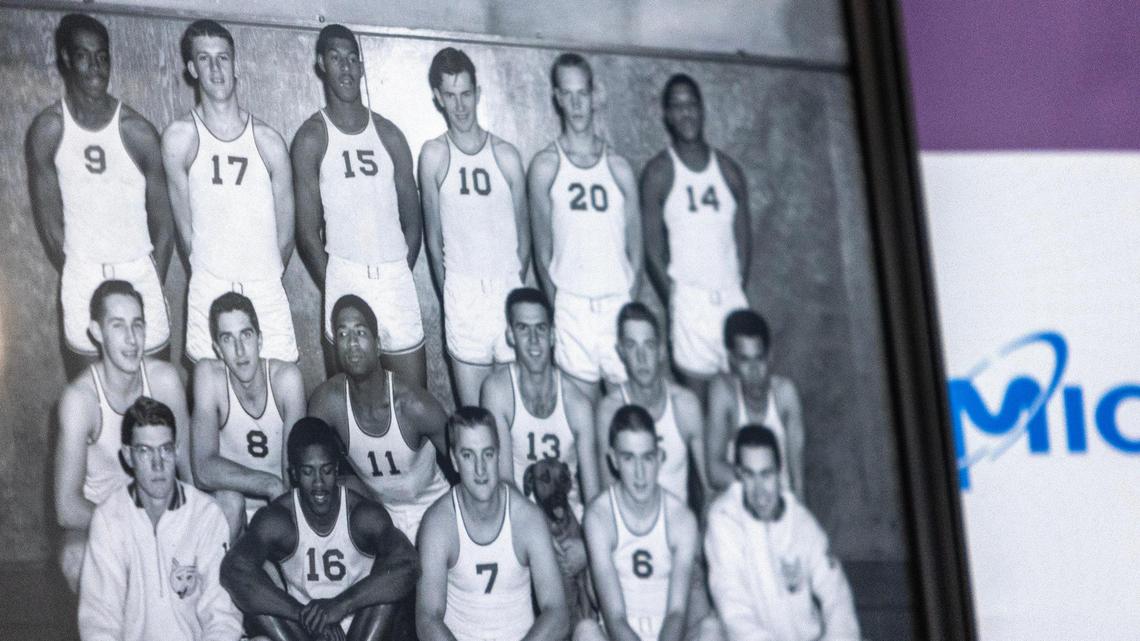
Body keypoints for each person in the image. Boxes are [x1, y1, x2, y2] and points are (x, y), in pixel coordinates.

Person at [26, 13, 173, 374]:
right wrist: (81, 266)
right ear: (64, 59)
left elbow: (165, 225)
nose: (95, 66)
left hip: (137, 269)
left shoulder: (137, 131)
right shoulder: (48, 130)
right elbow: (49, 226)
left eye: (102, 56)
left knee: (153, 396)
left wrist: (148, 279)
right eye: (83, 55)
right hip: (83, 272)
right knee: (91, 395)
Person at [293, 24, 425, 385]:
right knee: (351, 403)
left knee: (412, 395)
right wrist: (339, 282)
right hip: (345, 275)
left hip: (393, 274)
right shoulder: (311, 137)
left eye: (352, 59)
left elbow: (413, 221)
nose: (346, 68)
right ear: (322, 64)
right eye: (336, 58)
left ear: (361, 65)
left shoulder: (390, 134)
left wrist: (397, 270)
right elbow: (306, 231)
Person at [162, 19, 298, 364]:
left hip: (264, 286)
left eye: (223, 58)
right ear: (192, 69)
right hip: (210, 284)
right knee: (212, 396)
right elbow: (185, 230)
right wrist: (214, 271)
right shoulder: (180, 139)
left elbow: (286, 234)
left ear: (235, 65)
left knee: (281, 387)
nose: (216, 69)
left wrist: (261, 273)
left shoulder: (268, 142)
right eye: (205, 59)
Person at [222, 417, 420, 640]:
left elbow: (408, 564)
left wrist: (340, 606)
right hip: (306, 630)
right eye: (308, 472)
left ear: (336, 469)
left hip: (362, 626)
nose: (318, 483)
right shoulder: (279, 519)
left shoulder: (362, 514)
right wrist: (304, 614)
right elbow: (233, 571)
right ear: (294, 473)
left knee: (389, 587)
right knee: (258, 600)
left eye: (326, 470)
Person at [55, 280, 191, 592]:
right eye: (118, 326)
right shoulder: (80, 400)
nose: (131, 339)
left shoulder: (165, 381)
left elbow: (189, 471)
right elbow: (66, 507)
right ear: (97, 332)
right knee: (74, 556)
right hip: (102, 516)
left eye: (138, 325)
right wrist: (133, 525)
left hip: (160, 509)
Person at [78, 396, 242, 641]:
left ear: (176, 452)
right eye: (144, 451)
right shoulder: (108, 518)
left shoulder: (206, 514)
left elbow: (221, 615)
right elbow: (100, 621)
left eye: (165, 450)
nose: (157, 464)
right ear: (128, 455)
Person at [528, 52, 642, 401]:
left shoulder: (619, 168)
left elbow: (635, 248)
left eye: (583, 93)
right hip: (572, 309)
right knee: (582, 430)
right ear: (558, 98)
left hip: (616, 304)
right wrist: (561, 306)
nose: (577, 104)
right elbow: (542, 250)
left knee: (628, 422)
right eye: (568, 94)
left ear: (595, 95)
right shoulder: (546, 166)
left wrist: (626, 305)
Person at [418, 46, 530, 405]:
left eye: (466, 94)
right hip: (463, 295)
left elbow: (524, 240)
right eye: (450, 96)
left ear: (478, 93)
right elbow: (434, 243)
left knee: (511, 410)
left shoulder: (506, 155)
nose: (460, 105)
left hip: (505, 290)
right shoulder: (434, 155)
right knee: (474, 417)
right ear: (438, 98)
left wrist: (510, 289)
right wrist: (453, 294)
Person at [639, 74, 751, 400]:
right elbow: (652, 251)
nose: (685, 113)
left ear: (702, 109)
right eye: (677, 106)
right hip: (689, 302)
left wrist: (731, 291)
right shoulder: (658, 173)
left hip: (730, 298)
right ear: (667, 116)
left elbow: (744, 248)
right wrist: (677, 299)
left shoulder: (729, 171)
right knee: (702, 414)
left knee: (739, 411)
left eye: (691, 104)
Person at [415, 407, 569, 641]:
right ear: (455, 461)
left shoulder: (527, 518)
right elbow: (427, 618)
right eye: (468, 455)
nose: (480, 469)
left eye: (487, 454)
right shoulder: (438, 523)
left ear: (498, 454)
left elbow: (558, 613)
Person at [308, 295, 451, 542]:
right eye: (342, 334)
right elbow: (311, 470)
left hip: (434, 510)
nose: (352, 342)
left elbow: (463, 460)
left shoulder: (414, 404)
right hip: (381, 516)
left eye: (360, 332)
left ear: (377, 344)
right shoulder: (327, 402)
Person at [575, 405, 718, 641]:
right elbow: (614, 617)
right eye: (629, 458)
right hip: (619, 636)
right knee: (585, 632)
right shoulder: (599, 517)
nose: (640, 473)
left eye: (647, 458)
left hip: (669, 636)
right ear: (613, 460)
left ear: (660, 457)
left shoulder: (681, 519)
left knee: (712, 629)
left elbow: (677, 612)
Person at [705, 426, 860, 641]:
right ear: (739, 473)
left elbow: (837, 596)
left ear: (780, 471)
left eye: (766, 474)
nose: (759, 492)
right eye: (749, 475)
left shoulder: (802, 523)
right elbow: (734, 611)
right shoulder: (724, 519)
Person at [191, 292, 305, 541]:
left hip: (277, 508)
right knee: (230, 501)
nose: (240, 350)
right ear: (218, 350)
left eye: (246, 335)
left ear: (260, 340)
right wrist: (268, 484)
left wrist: (277, 493)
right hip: (231, 510)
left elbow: (292, 475)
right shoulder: (208, 376)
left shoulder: (286, 380)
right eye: (228, 339)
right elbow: (202, 469)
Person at [479, 287, 599, 518]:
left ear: (552, 335)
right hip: (519, 516)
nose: (534, 341)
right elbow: (503, 480)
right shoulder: (497, 391)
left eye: (541, 329)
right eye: (523, 328)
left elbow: (592, 494)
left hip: (569, 519)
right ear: (510, 335)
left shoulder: (577, 404)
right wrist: (537, 531)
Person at [595, 303, 707, 508]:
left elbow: (708, 490)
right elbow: (607, 495)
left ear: (661, 351)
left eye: (648, 345)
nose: (641, 358)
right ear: (620, 352)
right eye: (631, 346)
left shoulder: (685, 404)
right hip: (631, 530)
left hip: (678, 530)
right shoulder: (609, 411)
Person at [705, 310, 804, 496]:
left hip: (778, 499)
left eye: (759, 359)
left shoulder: (785, 395)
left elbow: (798, 484)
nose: (754, 371)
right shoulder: (723, 392)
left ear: (769, 356)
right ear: (732, 361)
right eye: (744, 360)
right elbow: (714, 471)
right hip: (738, 497)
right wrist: (758, 482)